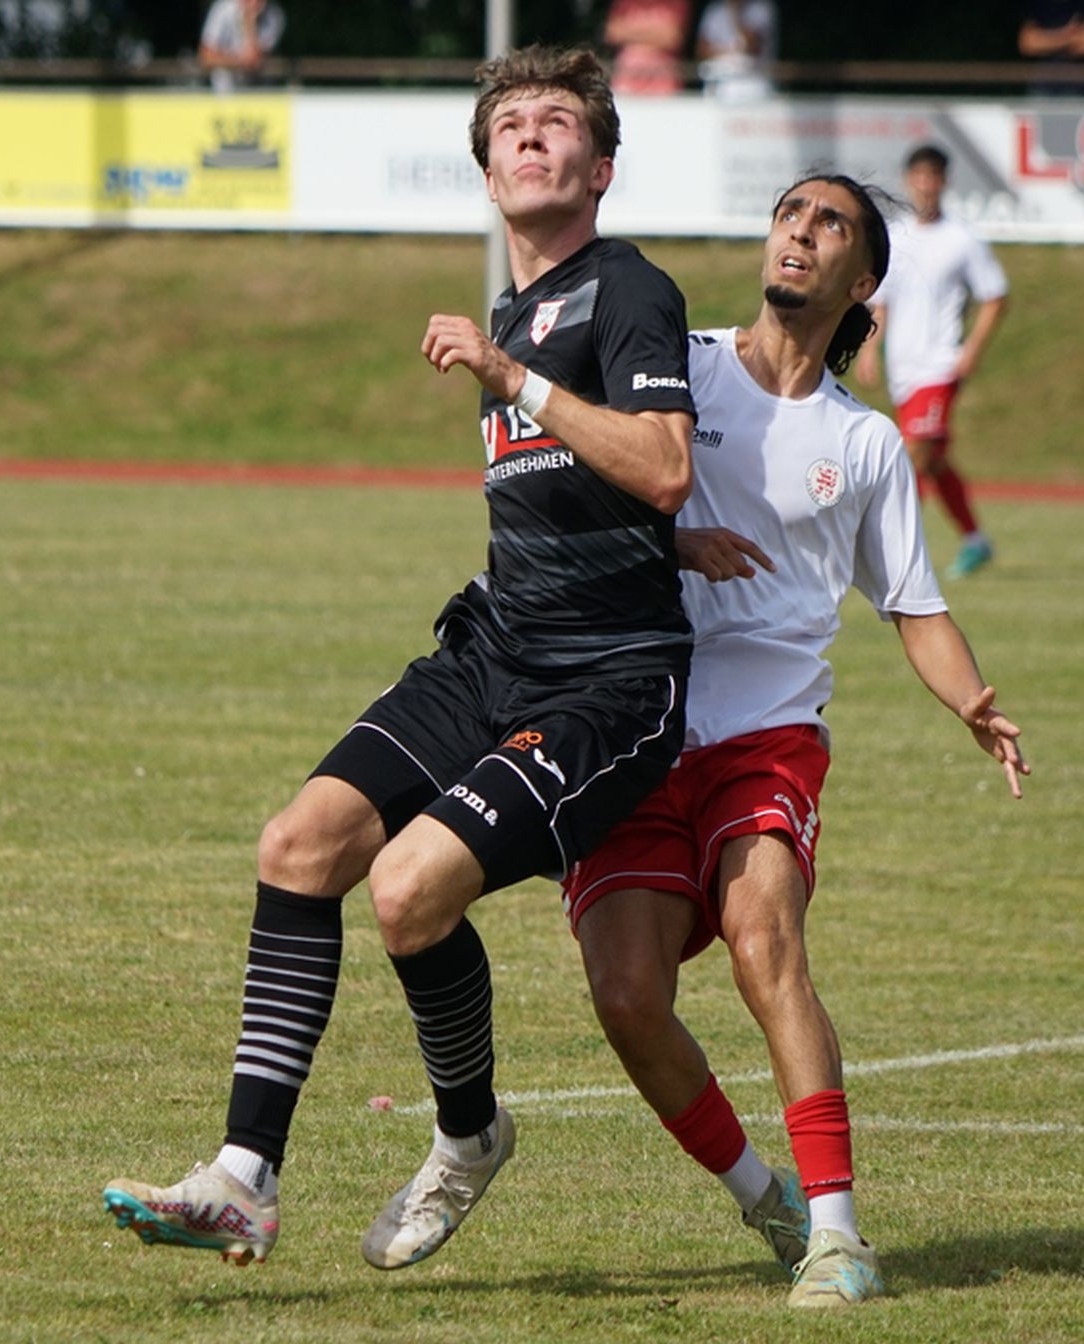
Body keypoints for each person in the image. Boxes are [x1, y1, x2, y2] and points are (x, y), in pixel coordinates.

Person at [103, 44, 697, 1272]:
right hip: (489, 649)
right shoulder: (511, 311)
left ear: (601, 165)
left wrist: (514, 377)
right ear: (486, 173)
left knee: (409, 892)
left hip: (606, 683)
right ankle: (243, 1178)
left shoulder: (628, 290)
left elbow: (665, 465)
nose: (530, 138)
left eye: (556, 123)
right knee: (297, 846)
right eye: (510, 127)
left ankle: (468, 1138)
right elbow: (600, 488)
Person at [561, 174, 1028, 1307]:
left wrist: (970, 701)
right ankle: (759, 1194)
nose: (800, 234)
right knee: (626, 996)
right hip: (633, 717)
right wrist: (675, 546)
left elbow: (914, 605)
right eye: (789, 215)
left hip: (768, 734)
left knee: (765, 937)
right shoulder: (679, 370)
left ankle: (837, 1234)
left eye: (829, 225)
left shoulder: (865, 444)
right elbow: (573, 487)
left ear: (861, 282)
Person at [856, 145, 1008, 582]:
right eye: (919, 177)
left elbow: (995, 297)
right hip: (904, 369)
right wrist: (869, 349)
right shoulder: (895, 236)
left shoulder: (962, 239)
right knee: (934, 460)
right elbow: (881, 303)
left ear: (944, 182)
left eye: (933, 177)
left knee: (913, 456)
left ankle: (890, 554)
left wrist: (971, 350)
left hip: (940, 366)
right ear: (909, 181)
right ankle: (975, 540)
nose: (925, 186)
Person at [603, 0, 692, 96]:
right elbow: (613, 34)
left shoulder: (676, 3)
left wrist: (630, 31)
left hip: (662, 78)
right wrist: (655, 33)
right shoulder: (624, 2)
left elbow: (672, 38)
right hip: (626, 77)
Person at [696, 0, 778, 102]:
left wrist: (736, 12)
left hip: (753, 85)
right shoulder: (715, 9)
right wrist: (733, 49)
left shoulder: (762, 8)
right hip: (719, 85)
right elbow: (702, 50)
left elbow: (751, 48)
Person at [199, 0, 284, 94]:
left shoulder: (274, 15)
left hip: (259, 93)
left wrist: (249, 20)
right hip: (224, 94)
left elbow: (253, 59)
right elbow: (206, 57)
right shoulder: (222, 8)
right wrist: (239, 61)